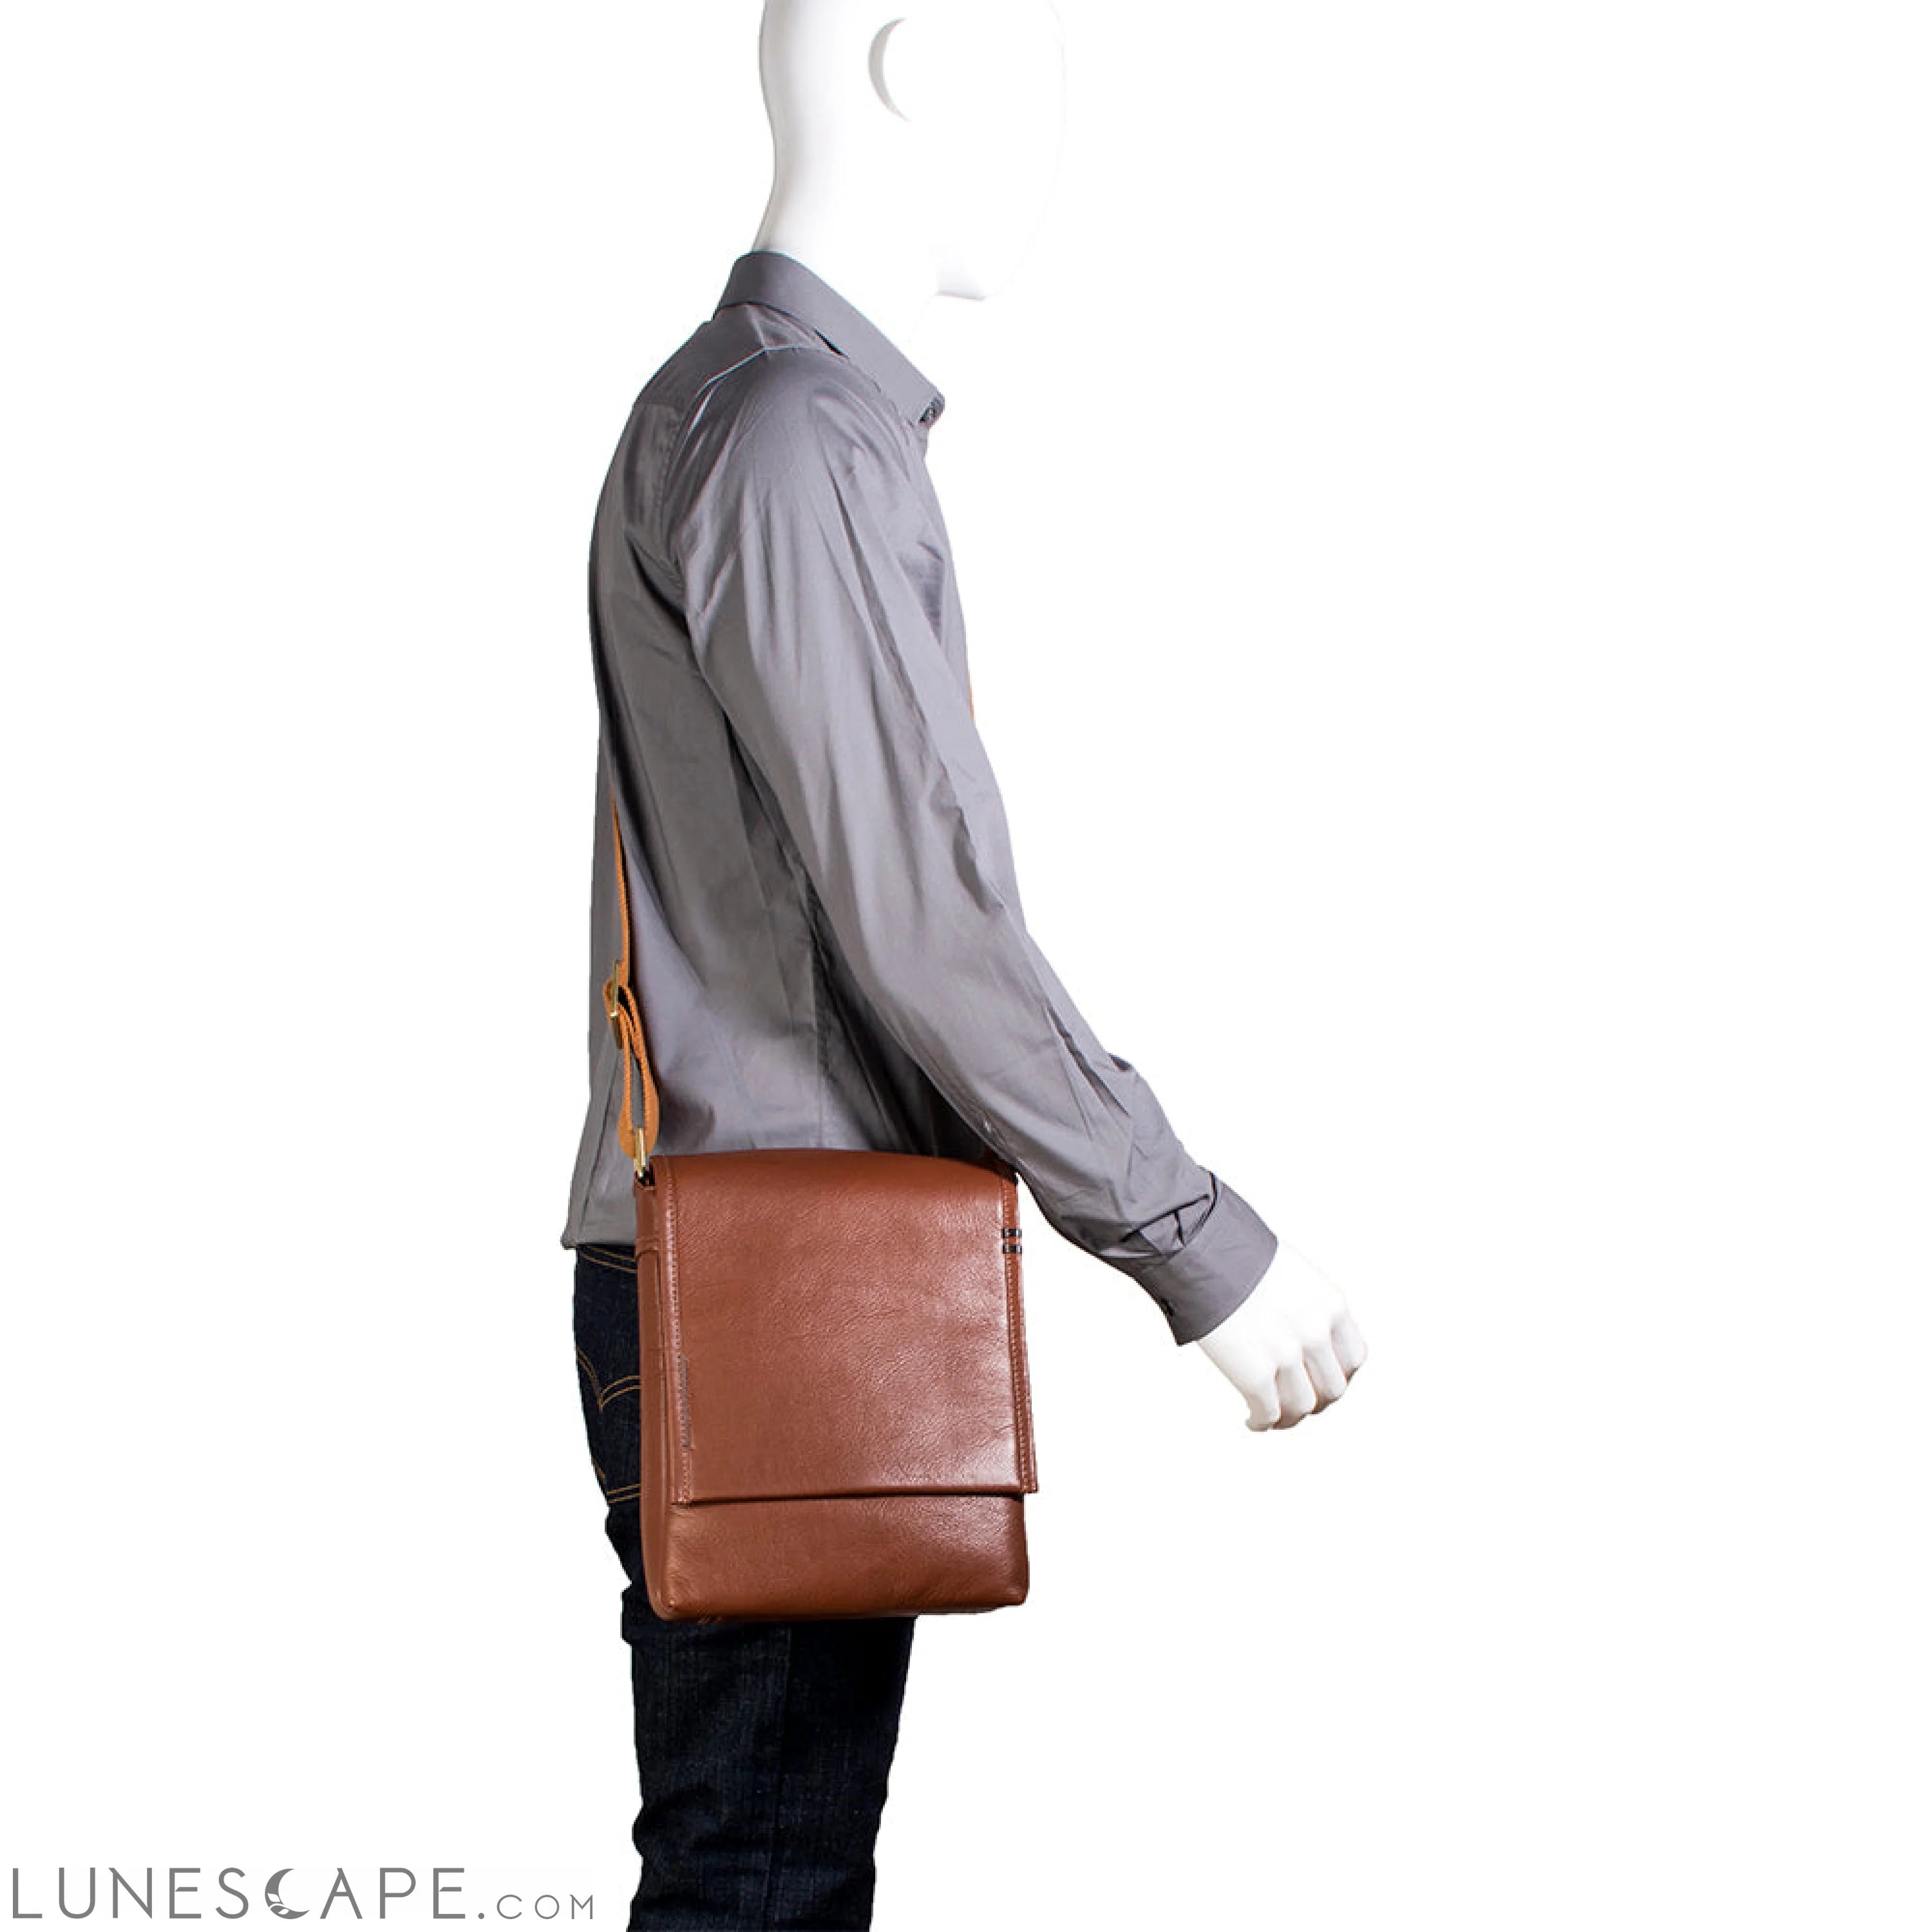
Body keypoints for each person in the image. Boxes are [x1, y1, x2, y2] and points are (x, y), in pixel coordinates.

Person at [561, 5, 1368, 1926]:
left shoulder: (759, 413)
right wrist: (1189, 1238)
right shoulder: (789, 435)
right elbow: (923, 919)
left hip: (759, 1264)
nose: (1066, 128)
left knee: (766, 1872)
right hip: (769, 1288)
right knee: (760, 1887)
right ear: (917, 61)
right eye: (1045, 53)